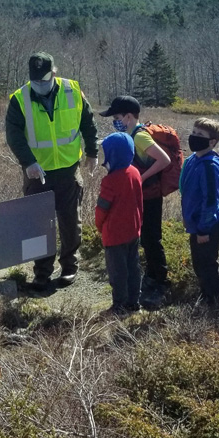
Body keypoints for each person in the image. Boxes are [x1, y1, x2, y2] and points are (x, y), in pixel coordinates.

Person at [5, 52, 98, 290]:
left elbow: (87, 122)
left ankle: (69, 267)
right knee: (38, 224)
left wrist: (92, 152)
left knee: (70, 222)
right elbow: (14, 136)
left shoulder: (72, 90)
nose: (40, 85)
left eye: (44, 80)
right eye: (36, 81)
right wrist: (28, 162)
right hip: (38, 173)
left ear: (54, 74)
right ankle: (42, 272)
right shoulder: (19, 99)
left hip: (68, 170)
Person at [100, 96, 172, 304]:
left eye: (117, 117)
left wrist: (141, 178)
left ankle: (160, 281)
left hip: (151, 196)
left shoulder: (139, 137)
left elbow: (164, 160)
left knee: (152, 239)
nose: (115, 121)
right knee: (145, 238)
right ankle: (151, 277)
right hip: (143, 196)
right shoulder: (130, 135)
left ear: (129, 116)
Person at [180, 118, 219, 309]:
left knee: (208, 264)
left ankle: (216, 303)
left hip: (209, 224)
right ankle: (206, 296)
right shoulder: (193, 159)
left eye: (200, 135)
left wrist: (203, 229)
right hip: (197, 223)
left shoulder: (209, 166)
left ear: (212, 142)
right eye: (194, 132)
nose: (194, 137)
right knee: (199, 263)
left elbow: (210, 201)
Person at [95, 132, 144, 316]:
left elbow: (101, 210)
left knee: (118, 273)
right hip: (133, 231)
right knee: (133, 268)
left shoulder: (110, 181)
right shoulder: (135, 172)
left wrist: (99, 226)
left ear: (113, 155)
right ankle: (133, 304)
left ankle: (119, 307)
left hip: (114, 236)